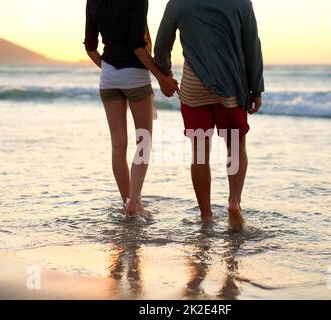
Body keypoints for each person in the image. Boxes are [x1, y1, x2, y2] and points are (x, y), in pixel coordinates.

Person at [154, 0, 264, 231]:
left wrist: (164, 73)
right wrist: (256, 88)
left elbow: (162, 44)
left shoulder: (178, 3)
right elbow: (251, 47)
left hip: (194, 85)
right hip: (232, 86)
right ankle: (234, 201)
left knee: (200, 153)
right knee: (236, 146)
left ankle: (206, 216)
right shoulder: (242, 3)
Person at [84, 0, 179, 217]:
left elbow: (90, 47)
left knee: (118, 146)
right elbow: (137, 44)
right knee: (143, 141)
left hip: (108, 78)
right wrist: (162, 78)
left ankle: (127, 201)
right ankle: (134, 203)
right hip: (135, 76)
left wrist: (110, 70)